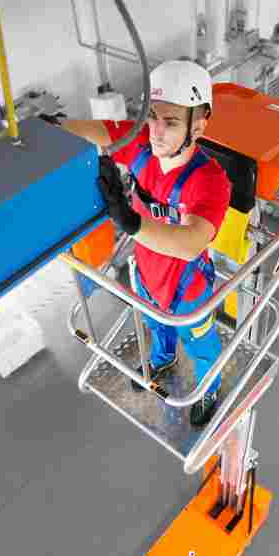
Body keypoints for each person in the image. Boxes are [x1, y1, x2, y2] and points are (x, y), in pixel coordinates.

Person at [61, 59, 231, 427]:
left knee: (201, 344)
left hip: (188, 288)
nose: (156, 131)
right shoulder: (140, 145)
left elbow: (191, 242)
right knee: (157, 325)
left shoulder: (210, 182)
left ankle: (209, 386)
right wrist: (48, 127)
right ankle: (163, 358)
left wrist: (130, 221)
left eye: (171, 122)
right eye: (151, 116)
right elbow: (96, 131)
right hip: (148, 275)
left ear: (198, 126)